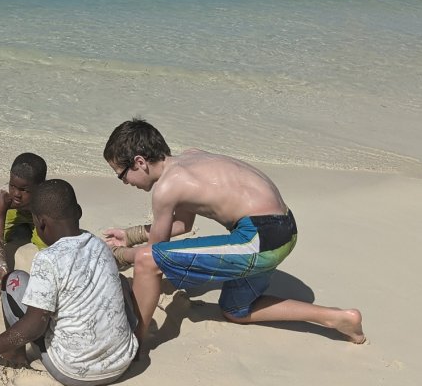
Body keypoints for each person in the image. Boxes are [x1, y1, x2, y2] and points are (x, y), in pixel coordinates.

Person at [102, 119, 366, 346]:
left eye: (121, 174)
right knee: (236, 310)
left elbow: (154, 254)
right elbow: (184, 225)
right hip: (285, 229)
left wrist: (119, 255)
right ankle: (337, 317)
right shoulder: (192, 157)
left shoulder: (166, 188)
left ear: (139, 162)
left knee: (148, 261)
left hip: (259, 238)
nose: (124, 182)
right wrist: (131, 235)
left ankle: (134, 342)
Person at [0, 180, 139, 386]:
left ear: (40, 224)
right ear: (79, 212)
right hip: (121, 362)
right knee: (118, 281)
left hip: (75, 372)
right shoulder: (98, 245)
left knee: (14, 282)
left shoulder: (48, 259)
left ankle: (16, 357)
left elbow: (34, 325)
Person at [0, 152, 48, 283]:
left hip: (37, 212)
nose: (16, 194)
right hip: (14, 212)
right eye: (12, 185)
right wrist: (4, 278)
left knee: (45, 243)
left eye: (24, 190)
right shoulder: (5, 196)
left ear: (40, 186)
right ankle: (23, 226)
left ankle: (29, 227)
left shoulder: (45, 198)